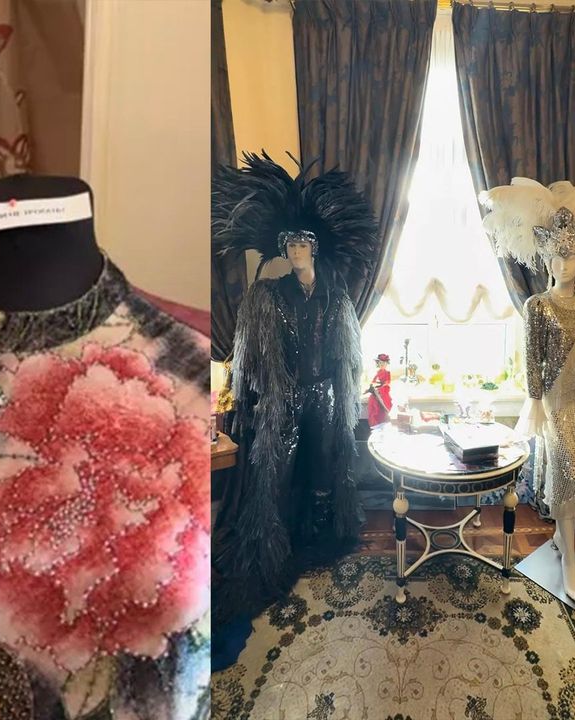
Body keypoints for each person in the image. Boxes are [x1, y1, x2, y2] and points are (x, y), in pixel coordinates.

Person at [211, 152, 378, 632]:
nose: (298, 251)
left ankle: (319, 536)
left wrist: (347, 392)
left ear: (315, 248)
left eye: (304, 243)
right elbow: (250, 357)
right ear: (284, 250)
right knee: (279, 471)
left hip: (325, 394)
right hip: (284, 398)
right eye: (291, 244)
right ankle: (275, 545)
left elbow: (347, 353)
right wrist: (259, 396)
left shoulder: (336, 295)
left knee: (324, 464)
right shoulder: (267, 296)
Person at [368, 353, 393, 426]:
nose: (382, 365)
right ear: (378, 364)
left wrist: (381, 384)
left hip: (384, 390)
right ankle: (378, 422)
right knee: (374, 396)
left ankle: (386, 411)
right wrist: (375, 385)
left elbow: (388, 382)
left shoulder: (387, 372)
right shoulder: (377, 372)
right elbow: (373, 381)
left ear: (386, 364)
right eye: (380, 363)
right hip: (378, 389)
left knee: (380, 395)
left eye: (384, 363)